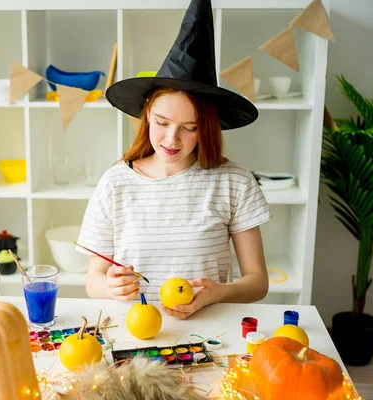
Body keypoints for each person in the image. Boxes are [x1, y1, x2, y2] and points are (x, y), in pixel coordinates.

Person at [76, 0, 272, 320]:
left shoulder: (234, 182)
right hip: (133, 329)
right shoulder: (115, 182)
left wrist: (217, 293)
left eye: (189, 128)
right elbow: (92, 281)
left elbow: (257, 282)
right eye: (162, 123)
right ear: (147, 116)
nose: (171, 139)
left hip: (208, 331)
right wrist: (111, 287)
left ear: (206, 128)